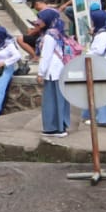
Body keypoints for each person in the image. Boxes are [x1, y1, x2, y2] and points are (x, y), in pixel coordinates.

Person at [81, 10, 106, 128]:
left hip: (103, 66)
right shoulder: (104, 32)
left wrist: (86, 52)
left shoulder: (103, 35)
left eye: (93, 21)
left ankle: (103, 118)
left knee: (103, 92)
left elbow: (98, 51)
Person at [37, 8, 70, 138]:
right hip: (60, 70)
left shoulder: (49, 36)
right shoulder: (58, 32)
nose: (38, 21)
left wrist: (40, 73)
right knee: (61, 100)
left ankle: (54, 128)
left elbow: (46, 56)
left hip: (52, 72)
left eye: (41, 19)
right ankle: (62, 125)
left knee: (51, 101)